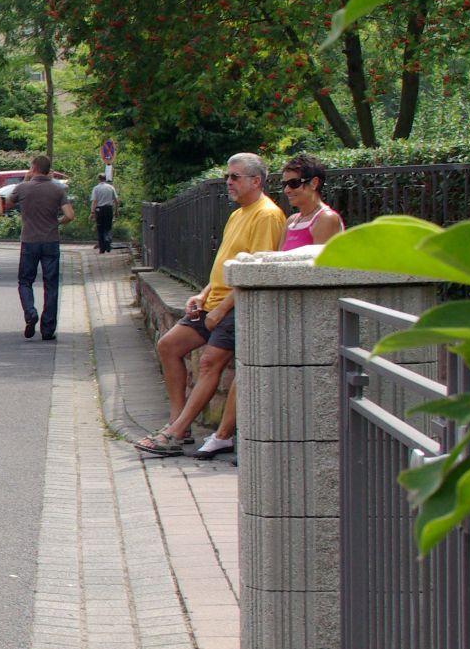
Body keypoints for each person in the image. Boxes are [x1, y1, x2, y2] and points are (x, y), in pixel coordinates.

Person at [186, 155, 349, 462]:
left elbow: (322, 271)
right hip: (285, 311)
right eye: (284, 183)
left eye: (294, 183)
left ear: (314, 183)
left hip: (309, 316)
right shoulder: (292, 220)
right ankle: (231, 437)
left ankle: (231, 437)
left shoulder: (325, 219)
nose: (287, 190)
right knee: (252, 371)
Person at [136, 153, 285, 456]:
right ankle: (177, 424)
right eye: (228, 176)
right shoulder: (238, 214)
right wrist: (203, 296)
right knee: (168, 346)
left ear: (256, 181)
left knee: (208, 363)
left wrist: (221, 309)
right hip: (212, 301)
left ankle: (175, 433)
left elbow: (256, 272)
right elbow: (225, 263)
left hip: (236, 304)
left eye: (235, 177)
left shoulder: (267, 215)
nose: (228, 182)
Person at [10, 156, 73, 340]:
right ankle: (48, 329)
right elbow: (70, 215)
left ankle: (30, 312)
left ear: (34, 168)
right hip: (51, 240)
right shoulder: (57, 189)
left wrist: (25, 179)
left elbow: (8, 203)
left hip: (29, 241)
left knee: (25, 281)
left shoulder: (23, 188)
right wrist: (57, 221)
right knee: (51, 284)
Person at [91, 173, 119, 254]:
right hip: (109, 209)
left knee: (100, 228)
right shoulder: (111, 187)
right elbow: (116, 200)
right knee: (108, 227)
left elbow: (94, 201)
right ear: (105, 179)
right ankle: (108, 243)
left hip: (99, 210)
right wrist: (116, 210)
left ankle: (102, 248)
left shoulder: (96, 188)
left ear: (98, 179)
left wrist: (92, 212)